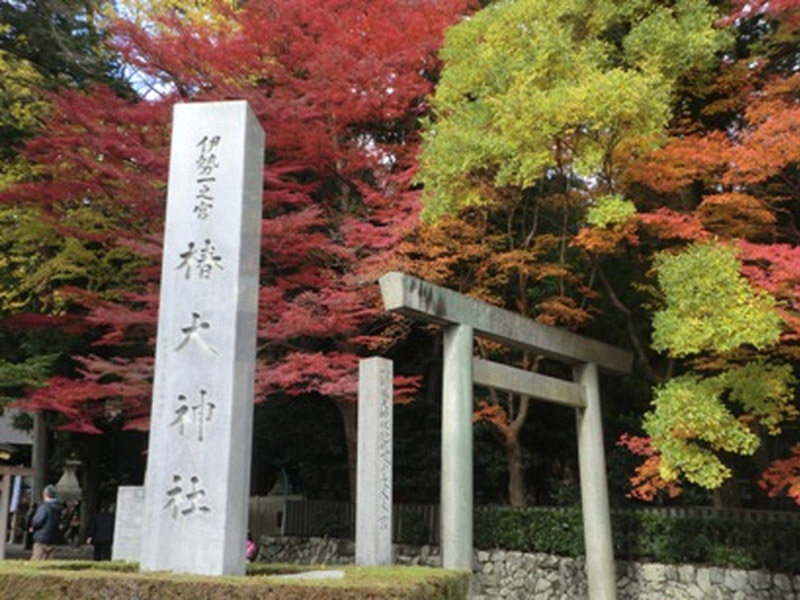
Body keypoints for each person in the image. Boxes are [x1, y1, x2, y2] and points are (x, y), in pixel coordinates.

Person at [30, 484, 62, 560]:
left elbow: (37, 521)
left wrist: (32, 526)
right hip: (53, 538)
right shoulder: (59, 508)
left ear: (45, 495)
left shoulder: (44, 507)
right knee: (50, 562)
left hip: (42, 538)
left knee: (37, 561)